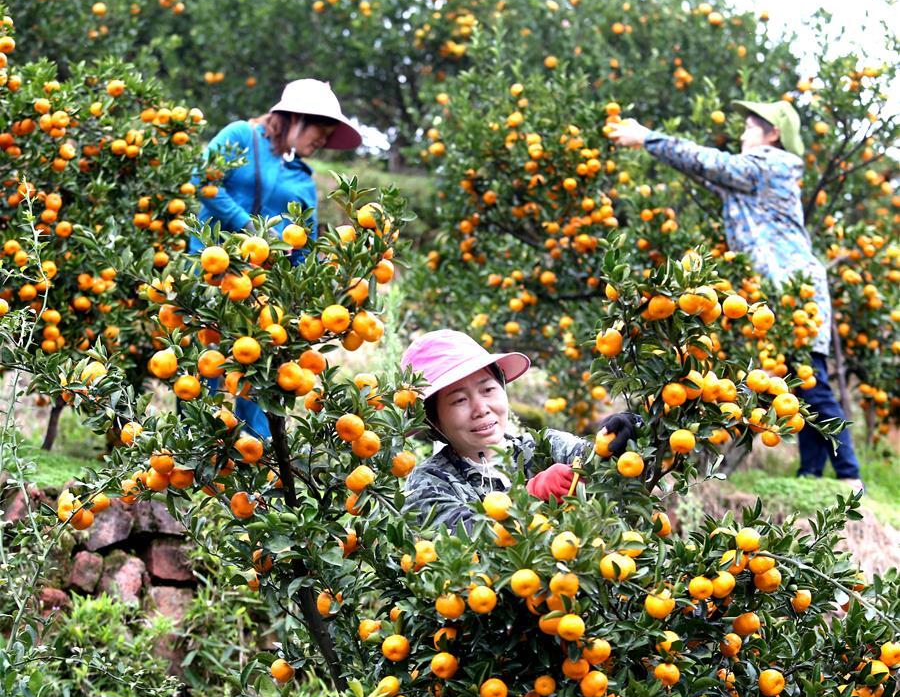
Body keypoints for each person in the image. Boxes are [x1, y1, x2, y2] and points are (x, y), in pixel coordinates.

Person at [608, 100, 862, 489]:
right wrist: (656, 148)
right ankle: (811, 474)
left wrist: (648, 138)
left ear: (772, 133)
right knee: (797, 384)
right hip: (778, 291)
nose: (742, 135)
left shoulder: (770, 165)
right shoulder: (752, 176)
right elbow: (703, 168)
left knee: (812, 382)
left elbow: (711, 163)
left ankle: (850, 476)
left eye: (749, 127)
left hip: (794, 291)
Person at [190, 79, 362, 438]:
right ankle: (197, 449)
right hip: (212, 275)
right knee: (205, 369)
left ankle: (257, 460)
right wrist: (248, 227)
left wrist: (306, 294)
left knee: (259, 378)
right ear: (297, 118)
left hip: (264, 294)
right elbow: (204, 181)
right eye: (320, 132)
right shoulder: (241, 136)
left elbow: (304, 246)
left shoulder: (302, 178)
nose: (322, 142)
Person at [400, 329, 636, 529]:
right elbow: (465, 545)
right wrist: (529, 498)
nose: (481, 409)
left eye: (488, 390)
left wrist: (624, 432)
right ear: (433, 419)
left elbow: (602, 462)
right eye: (459, 400)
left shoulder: (544, 447)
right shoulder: (428, 483)